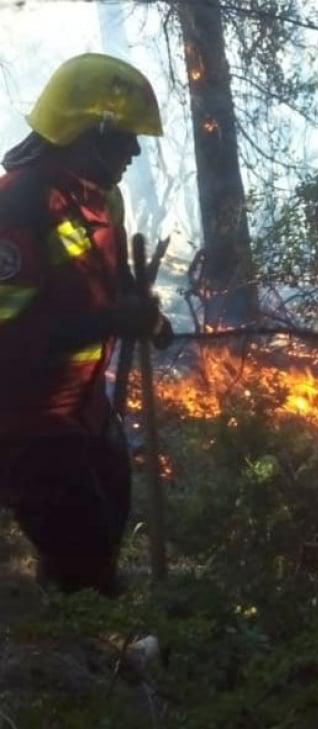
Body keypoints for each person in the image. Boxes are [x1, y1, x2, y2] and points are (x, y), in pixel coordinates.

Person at [0, 53, 172, 594]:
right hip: (25, 421)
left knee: (111, 508)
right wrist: (109, 321)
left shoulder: (101, 199)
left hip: (85, 409)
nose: (135, 151)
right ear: (86, 135)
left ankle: (72, 600)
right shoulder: (19, 205)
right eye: (124, 138)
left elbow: (113, 277)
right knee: (84, 554)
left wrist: (145, 316)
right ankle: (76, 631)